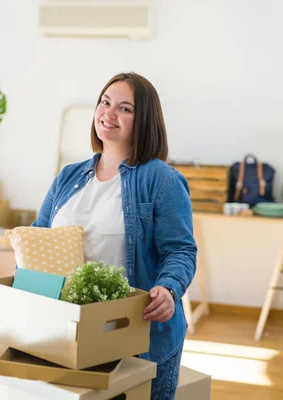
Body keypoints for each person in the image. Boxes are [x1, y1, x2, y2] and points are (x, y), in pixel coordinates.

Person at [32, 72, 197, 399]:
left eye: (125, 108)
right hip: (70, 328)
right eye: (105, 103)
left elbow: (180, 250)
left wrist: (168, 288)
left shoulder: (161, 179)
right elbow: (38, 237)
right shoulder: (68, 177)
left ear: (144, 121)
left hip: (136, 336)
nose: (109, 113)